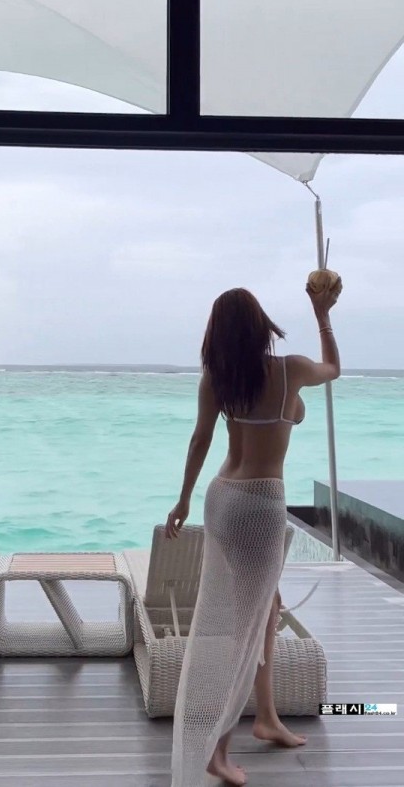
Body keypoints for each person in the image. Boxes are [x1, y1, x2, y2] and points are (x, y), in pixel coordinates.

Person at [165, 282, 341, 786]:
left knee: (266, 608)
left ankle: (266, 718)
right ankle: (218, 750)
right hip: (261, 505)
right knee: (244, 626)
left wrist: (182, 500)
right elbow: (333, 368)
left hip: (222, 498)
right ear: (260, 324)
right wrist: (322, 314)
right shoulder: (290, 370)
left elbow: (200, 441)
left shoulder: (218, 379)